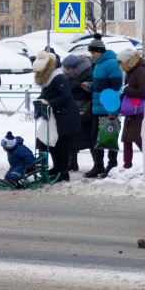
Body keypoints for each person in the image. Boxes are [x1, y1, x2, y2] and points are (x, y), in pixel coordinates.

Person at [32, 52, 82, 183]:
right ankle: (56, 167)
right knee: (51, 143)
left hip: (65, 116)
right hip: (55, 116)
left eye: (38, 72)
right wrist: (38, 101)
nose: (36, 75)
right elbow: (45, 95)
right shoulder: (48, 80)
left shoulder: (58, 78)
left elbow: (66, 96)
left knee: (61, 144)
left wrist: (49, 102)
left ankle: (63, 172)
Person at [84, 37, 122, 179]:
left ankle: (112, 164)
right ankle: (98, 165)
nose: (91, 54)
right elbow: (99, 85)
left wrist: (112, 110)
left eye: (93, 52)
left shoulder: (111, 64)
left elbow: (115, 87)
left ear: (100, 51)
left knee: (110, 137)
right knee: (95, 136)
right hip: (97, 107)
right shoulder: (99, 64)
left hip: (107, 108)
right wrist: (90, 86)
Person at [117, 49, 145, 170]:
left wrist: (126, 90)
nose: (121, 67)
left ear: (129, 61)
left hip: (138, 111)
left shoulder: (139, 71)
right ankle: (127, 165)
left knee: (136, 137)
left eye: (122, 63)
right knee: (126, 138)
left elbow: (143, 91)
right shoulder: (131, 72)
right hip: (131, 110)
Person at [62, 55, 95, 172]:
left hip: (85, 111)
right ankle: (72, 163)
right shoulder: (69, 75)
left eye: (69, 68)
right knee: (72, 138)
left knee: (90, 138)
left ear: (75, 67)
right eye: (66, 69)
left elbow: (89, 90)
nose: (67, 71)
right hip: (73, 111)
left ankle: (97, 164)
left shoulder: (86, 73)